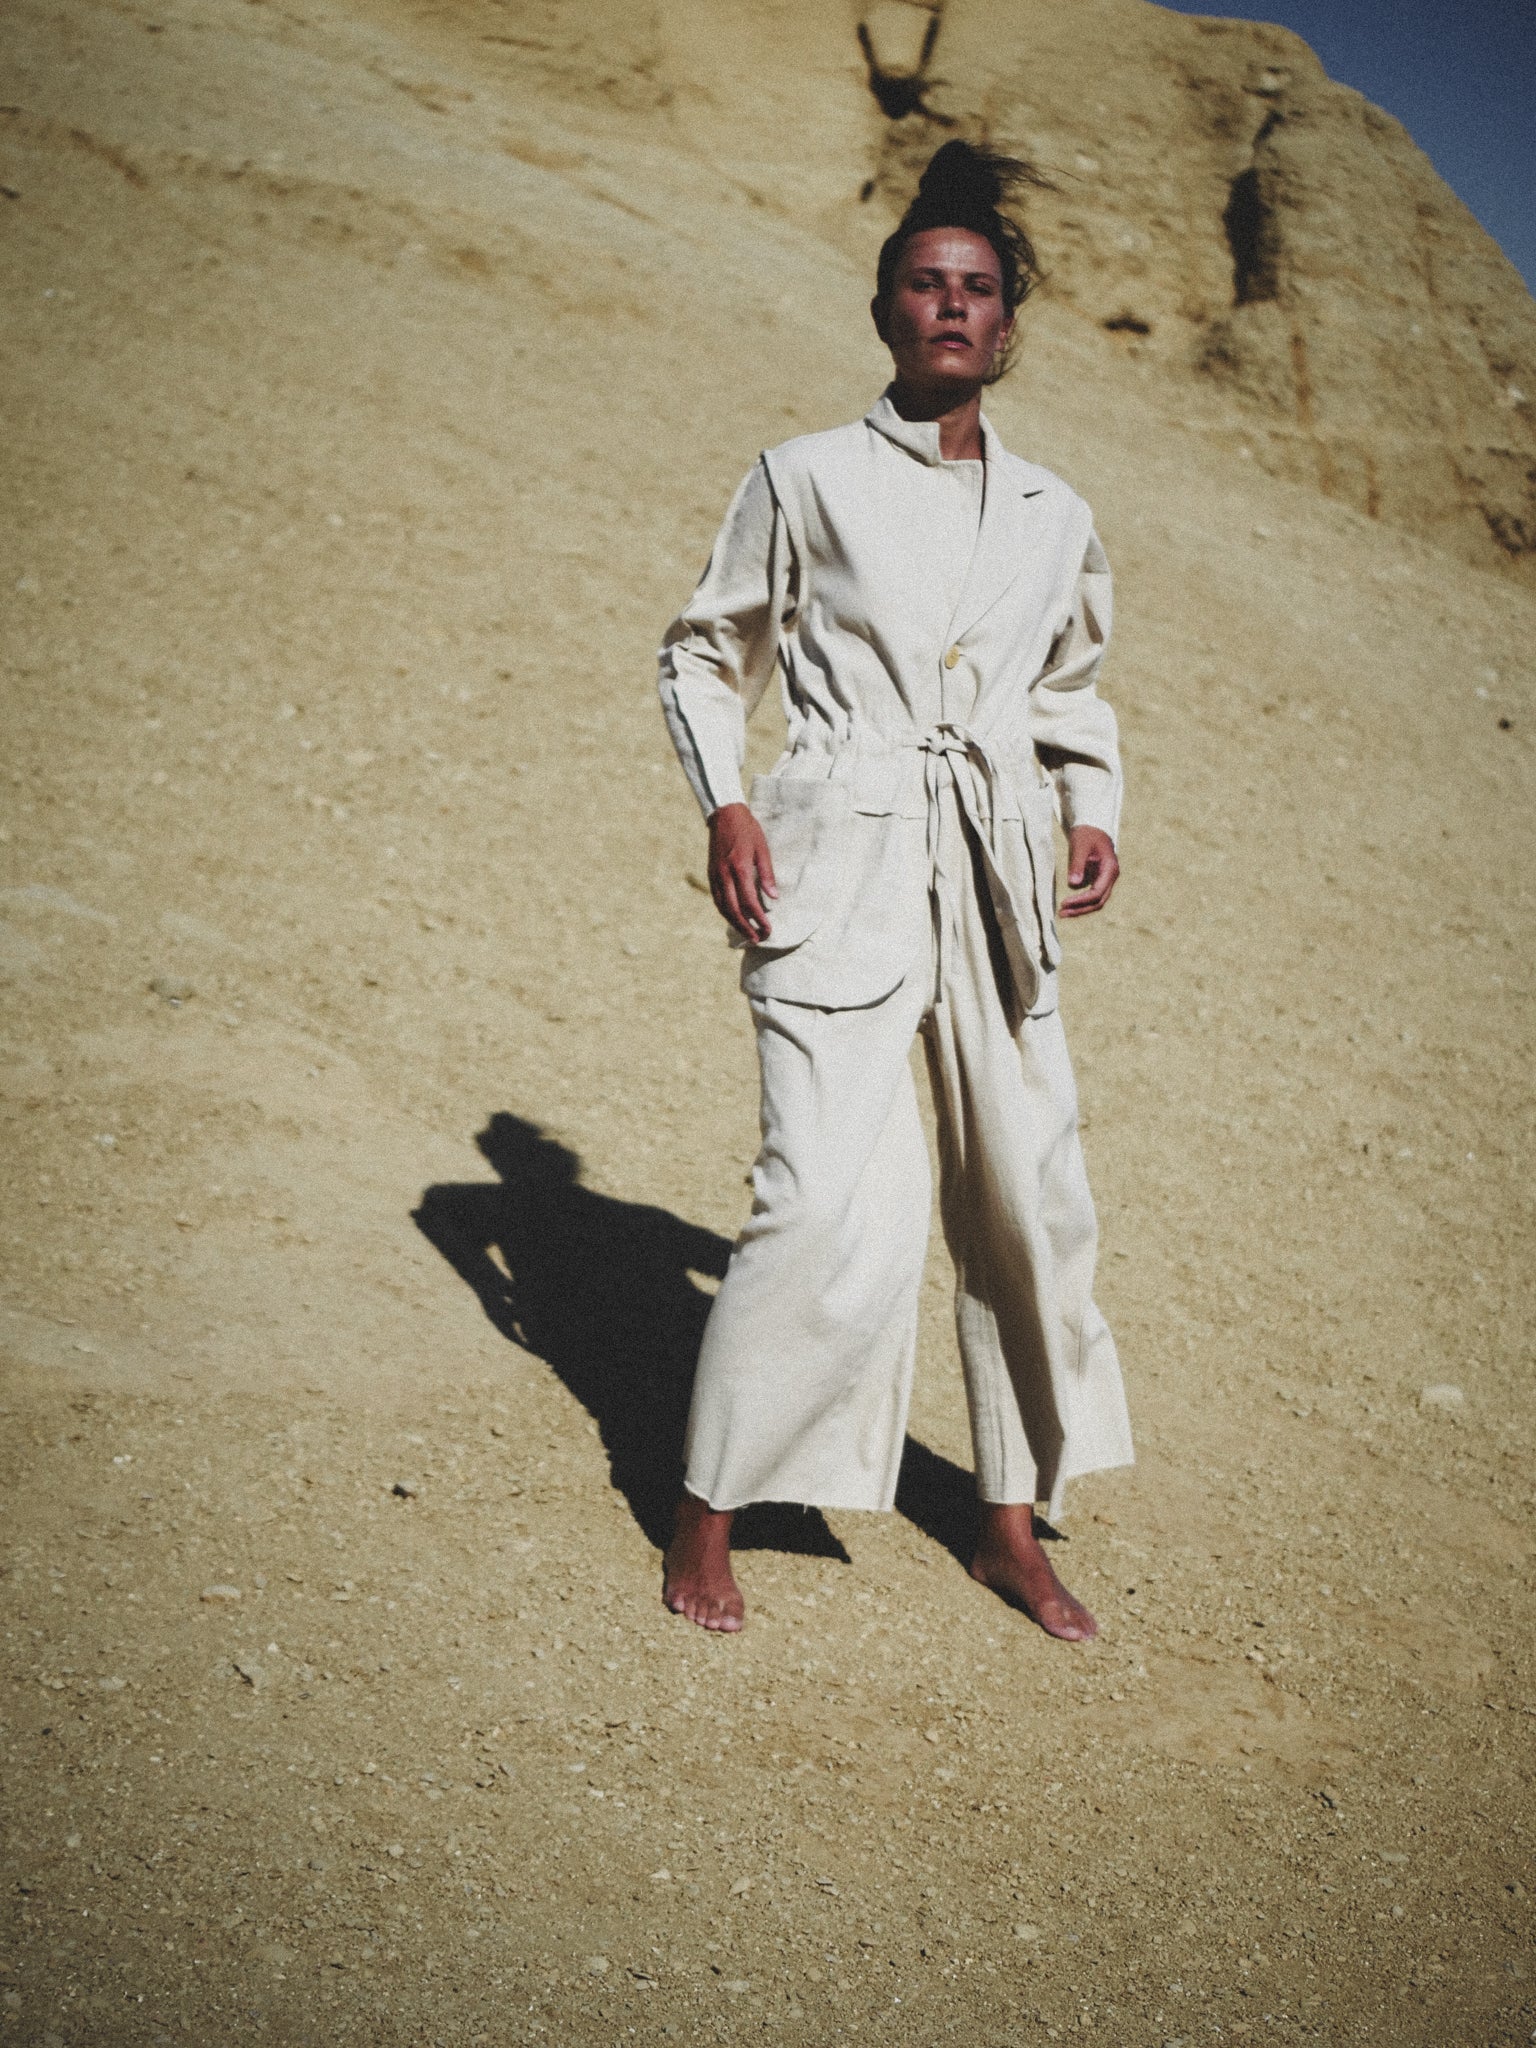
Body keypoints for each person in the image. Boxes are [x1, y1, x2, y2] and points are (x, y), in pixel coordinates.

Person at [656, 140, 1132, 1642]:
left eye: (977, 289)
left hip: (992, 881)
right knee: (816, 1201)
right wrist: (728, 798)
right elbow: (698, 645)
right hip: (837, 855)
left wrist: (1089, 807)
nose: (950, 305)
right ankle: (706, 1507)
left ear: (1006, 325)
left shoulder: (1055, 509)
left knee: (1029, 1202)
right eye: (924, 283)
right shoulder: (802, 475)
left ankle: (1009, 1525)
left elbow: (1071, 684)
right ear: (884, 310)